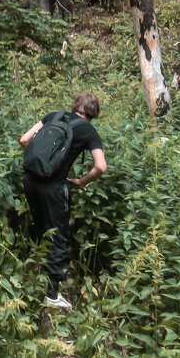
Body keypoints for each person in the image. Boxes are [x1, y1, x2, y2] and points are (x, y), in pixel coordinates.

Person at [19, 93, 107, 310]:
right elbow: (101, 167)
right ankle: (52, 294)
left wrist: (39, 164)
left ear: (75, 106)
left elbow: (24, 139)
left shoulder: (54, 116)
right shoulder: (89, 131)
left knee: (41, 227)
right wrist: (81, 181)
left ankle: (37, 273)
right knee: (59, 235)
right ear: (94, 113)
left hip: (30, 179)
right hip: (54, 186)